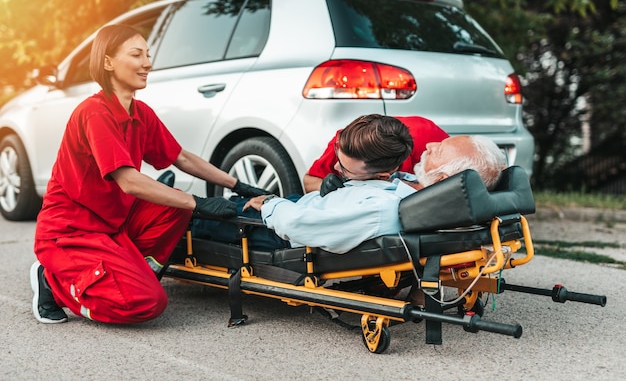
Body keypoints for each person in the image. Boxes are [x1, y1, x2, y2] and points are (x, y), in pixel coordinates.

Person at [30, 25, 268, 325]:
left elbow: (181, 157)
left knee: (174, 205)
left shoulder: (140, 112)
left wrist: (238, 184)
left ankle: (125, 270)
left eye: (148, 54)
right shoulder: (95, 113)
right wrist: (199, 202)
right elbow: (129, 181)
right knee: (145, 303)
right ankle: (53, 284)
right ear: (107, 62)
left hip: (113, 222)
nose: (147, 63)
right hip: (72, 231)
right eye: (136, 55)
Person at [198, 115, 506, 254]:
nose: (427, 148)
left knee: (194, 217)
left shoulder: (381, 208)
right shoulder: (412, 189)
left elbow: (301, 224)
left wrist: (270, 204)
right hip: (302, 209)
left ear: (442, 178)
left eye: (436, 151)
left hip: (278, 231)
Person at [303, 116, 449, 195]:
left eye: (344, 169)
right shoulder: (345, 142)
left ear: (382, 176)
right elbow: (308, 181)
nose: (336, 167)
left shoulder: (431, 142)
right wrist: (323, 185)